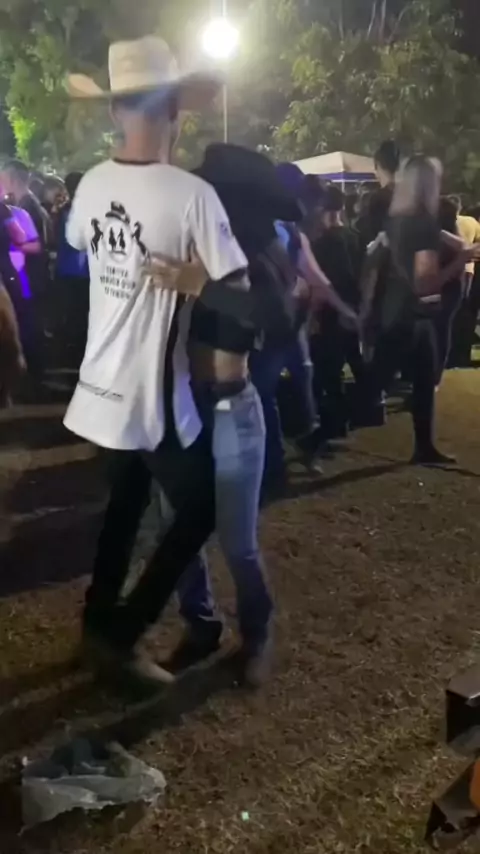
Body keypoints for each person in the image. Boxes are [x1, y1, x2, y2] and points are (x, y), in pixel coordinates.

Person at [364, 155, 478, 465]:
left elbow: (446, 241)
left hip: (406, 314)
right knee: (372, 387)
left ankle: (424, 447)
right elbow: (424, 284)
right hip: (407, 317)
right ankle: (317, 434)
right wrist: (460, 261)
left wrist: (464, 249)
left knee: (424, 382)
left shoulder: (402, 217)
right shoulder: (420, 223)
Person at [310, 184, 365, 436]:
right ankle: (366, 409)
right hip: (353, 306)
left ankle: (336, 422)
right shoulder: (354, 236)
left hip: (332, 310)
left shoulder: (322, 242)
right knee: (355, 360)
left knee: (329, 368)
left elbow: (325, 280)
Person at [54, 172, 89, 365]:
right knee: (82, 312)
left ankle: (70, 352)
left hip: (67, 269)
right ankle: (78, 351)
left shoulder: (63, 211)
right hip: (83, 271)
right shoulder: (86, 210)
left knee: (71, 312)